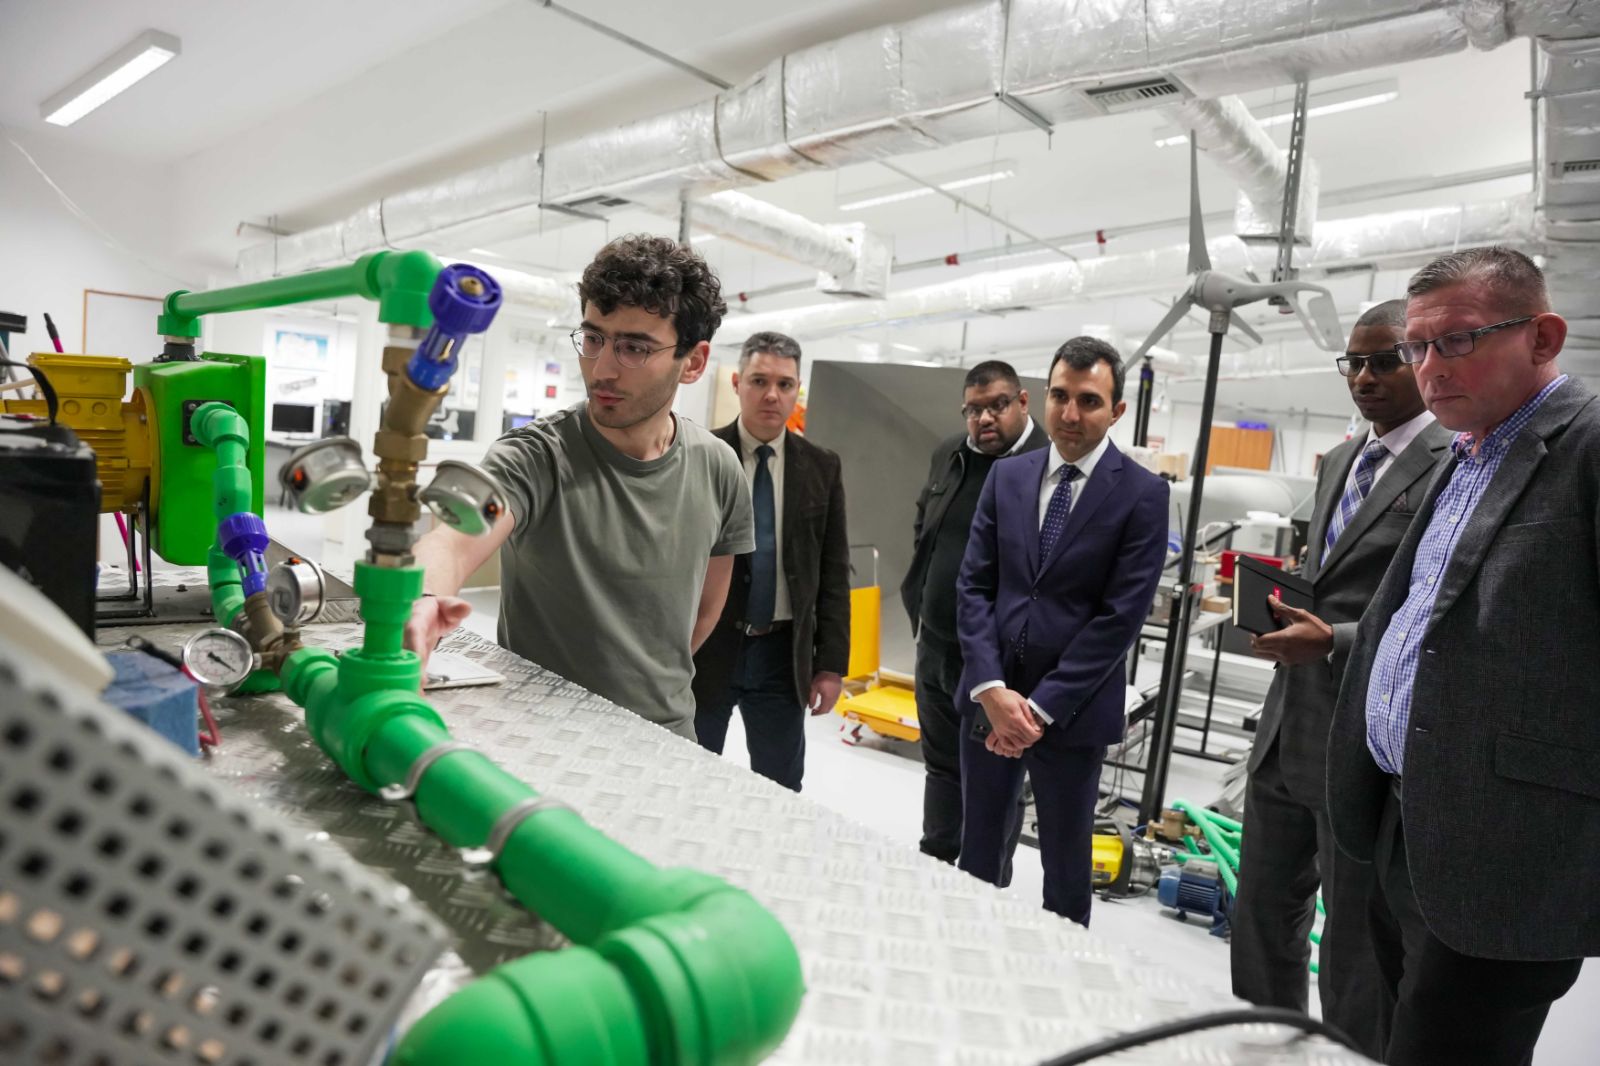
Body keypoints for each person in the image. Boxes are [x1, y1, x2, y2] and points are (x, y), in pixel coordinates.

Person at [1326, 246, 1599, 1066]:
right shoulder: (1468, 452)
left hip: (1507, 853)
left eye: (1457, 340)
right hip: (1405, 824)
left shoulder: (1586, 448)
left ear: (1542, 336)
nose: (1429, 367)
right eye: (1418, 346)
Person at [402, 234, 754, 741]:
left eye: (634, 348)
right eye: (593, 339)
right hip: (540, 738)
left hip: (668, 739)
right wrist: (423, 599)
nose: (602, 369)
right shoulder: (536, 456)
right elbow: (453, 541)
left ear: (694, 362)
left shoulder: (718, 467)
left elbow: (706, 609)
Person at [1231, 300, 1449, 1057]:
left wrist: (1335, 641)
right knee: (1261, 916)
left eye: (1383, 361)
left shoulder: (1452, 465)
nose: (1363, 377)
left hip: (1359, 744)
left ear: (1421, 360)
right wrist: (1282, 598)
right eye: (1352, 363)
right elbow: (1332, 576)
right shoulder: (1340, 460)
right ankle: (1264, 1043)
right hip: (1286, 728)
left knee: (1355, 946)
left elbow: (1435, 610)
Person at [955, 337, 1168, 924]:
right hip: (990, 700)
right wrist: (991, 689)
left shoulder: (1143, 495)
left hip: (1071, 712)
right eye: (1060, 396)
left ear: (1116, 411)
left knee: (1066, 869)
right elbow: (974, 586)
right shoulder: (1008, 476)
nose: (1071, 414)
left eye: (1089, 401)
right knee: (977, 855)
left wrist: (1037, 710)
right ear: (1044, 397)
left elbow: (1119, 618)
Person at [901, 360, 1047, 862]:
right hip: (936, 644)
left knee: (994, 779)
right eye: (973, 409)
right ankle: (935, 862)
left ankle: (985, 881)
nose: (984, 418)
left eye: (997, 405)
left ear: (1022, 402)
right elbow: (925, 525)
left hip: (995, 661)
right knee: (941, 766)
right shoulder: (950, 453)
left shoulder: (1047, 467)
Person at [692, 332, 851, 790]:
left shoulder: (821, 466)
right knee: (690, 772)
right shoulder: (700, 455)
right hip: (707, 646)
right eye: (759, 381)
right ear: (737, 383)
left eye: (785, 384)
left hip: (783, 655)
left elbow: (833, 571)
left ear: (797, 390)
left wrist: (830, 664)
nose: (771, 395)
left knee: (781, 786)